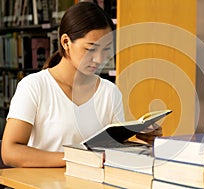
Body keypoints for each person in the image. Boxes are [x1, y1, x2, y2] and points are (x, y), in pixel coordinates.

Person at [1, 2, 161, 168]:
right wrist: (76, 158)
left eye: (106, 49)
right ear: (65, 42)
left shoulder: (109, 92)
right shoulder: (33, 87)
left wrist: (141, 138)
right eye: (90, 49)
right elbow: (10, 152)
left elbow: (113, 149)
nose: (99, 59)